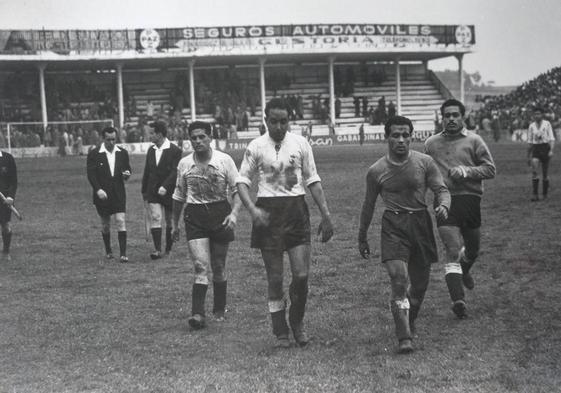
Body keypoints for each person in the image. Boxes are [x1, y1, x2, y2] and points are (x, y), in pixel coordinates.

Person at [236, 98, 334, 348]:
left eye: (284, 121)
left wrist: (326, 214)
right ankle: (280, 331)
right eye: (274, 121)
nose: (279, 126)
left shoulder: (300, 144)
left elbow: (313, 179)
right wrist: (252, 209)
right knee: (275, 279)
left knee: (301, 275)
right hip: (268, 214)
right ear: (266, 120)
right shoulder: (256, 146)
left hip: (295, 212)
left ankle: (297, 321)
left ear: (289, 120)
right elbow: (242, 181)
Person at [358, 116, 450, 354]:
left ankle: (409, 316)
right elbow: (368, 206)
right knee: (399, 279)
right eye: (395, 135)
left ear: (411, 137)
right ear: (386, 137)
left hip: (421, 223)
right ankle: (404, 337)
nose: (401, 140)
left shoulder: (425, 162)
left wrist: (444, 205)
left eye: (405, 135)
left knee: (419, 287)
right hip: (393, 224)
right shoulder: (376, 170)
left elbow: (442, 190)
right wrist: (362, 235)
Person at [425, 99, 496, 319]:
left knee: (472, 249)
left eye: (455, 115)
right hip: (444, 201)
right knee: (453, 250)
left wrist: (466, 171)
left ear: (463, 117)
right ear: (442, 118)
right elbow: (425, 171)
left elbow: (490, 169)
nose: (451, 119)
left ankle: (464, 270)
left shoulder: (474, 140)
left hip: (470, 200)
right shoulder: (431, 143)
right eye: (447, 115)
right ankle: (458, 300)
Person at [171, 121, 242, 330]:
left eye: (202, 137)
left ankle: (219, 308)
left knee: (218, 266)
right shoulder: (184, 164)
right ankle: (198, 314)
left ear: (210, 137)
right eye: (194, 138)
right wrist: (174, 224)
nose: (198, 141)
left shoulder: (224, 160)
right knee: (200, 265)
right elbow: (178, 195)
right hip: (195, 215)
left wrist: (235, 214)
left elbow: (238, 190)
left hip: (220, 213)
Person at [86, 126, 132, 263]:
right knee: (105, 224)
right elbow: (91, 174)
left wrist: (127, 174)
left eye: (113, 139)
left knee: (120, 220)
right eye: (108, 140)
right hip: (102, 193)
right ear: (102, 139)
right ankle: (108, 251)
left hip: (118, 192)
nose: (111, 142)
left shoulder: (122, 153)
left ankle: (123, 254)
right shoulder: (94, 154)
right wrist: (98, 189)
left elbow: (127, 169)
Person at [141, 120, 182, 260]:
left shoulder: (175, 150)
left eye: (152, 133)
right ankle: (157, 250)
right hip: (153, 191)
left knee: (169, 221)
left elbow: (175, 172)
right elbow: (147, 171)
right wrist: (144, 191)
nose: (149, 136)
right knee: (156, 217)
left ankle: (168, 249)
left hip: (170, 192)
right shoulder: (151, 150)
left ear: (159, 134)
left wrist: (165, 186)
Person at [527, 106, 555, 201]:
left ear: (542, 115)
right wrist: (528, 156)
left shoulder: (547, 124)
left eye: (538, 114)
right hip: (536, 149)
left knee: (545, 173)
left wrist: (551, 150)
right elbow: (530, 142)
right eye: (535, 114)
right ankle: (535, 194)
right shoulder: (531, 126)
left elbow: (551, 139)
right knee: (534, 171)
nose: (536, 115)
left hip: (545, 148)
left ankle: (545, 194)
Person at [0, 150, 17, 260]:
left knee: (6, 225)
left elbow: (14, 181)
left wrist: (10, 197)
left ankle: (6, 252)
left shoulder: (8, 158)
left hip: (5, 200)